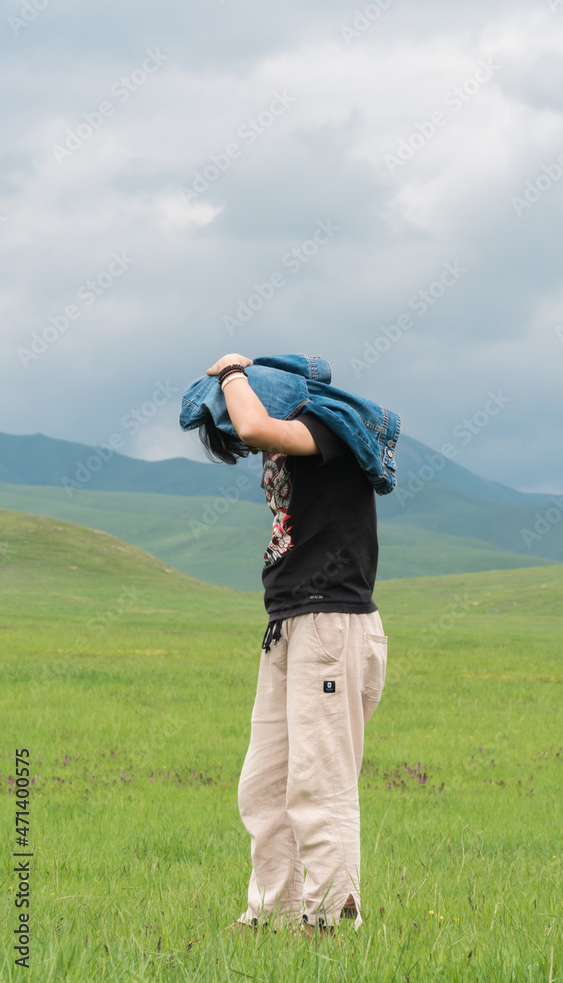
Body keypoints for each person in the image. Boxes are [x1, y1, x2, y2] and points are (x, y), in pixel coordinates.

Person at [201, 353, 388, 938]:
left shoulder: (325, 425)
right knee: (264, 784)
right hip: (289, 624)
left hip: (330, 623)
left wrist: (232, 372)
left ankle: (330, 921)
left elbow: (256, 426)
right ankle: (271, 915)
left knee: (319, 779)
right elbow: (253, 433)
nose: (246, 442)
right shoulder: (292, 438)